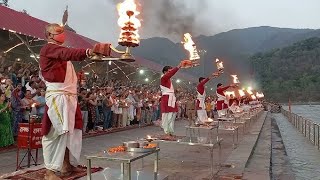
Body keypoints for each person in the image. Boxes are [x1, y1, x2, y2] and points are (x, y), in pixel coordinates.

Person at [39, 23, 110, 179]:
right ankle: (49, 171)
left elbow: (67, 54)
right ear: (49, 35)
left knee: (73, 132)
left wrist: (91, 54)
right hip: (59, 96)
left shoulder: (61, 53)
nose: (61, 33)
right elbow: (67, 52)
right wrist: (88, 51)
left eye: (62, 31)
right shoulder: (49, 49)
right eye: (57, 31)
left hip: (70, 97)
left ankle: (67, 165)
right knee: (56, 132)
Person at [160, 60, 192, 138]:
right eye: (169, 71)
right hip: (167, 99)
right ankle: (166, 132)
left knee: (172, 115)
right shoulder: (163, 78)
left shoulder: (169, 80)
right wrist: (179, 66)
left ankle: (170, 131)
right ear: (165, 72)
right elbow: (171, 73)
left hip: (171, 98)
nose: (171, 72)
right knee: (166, 115)